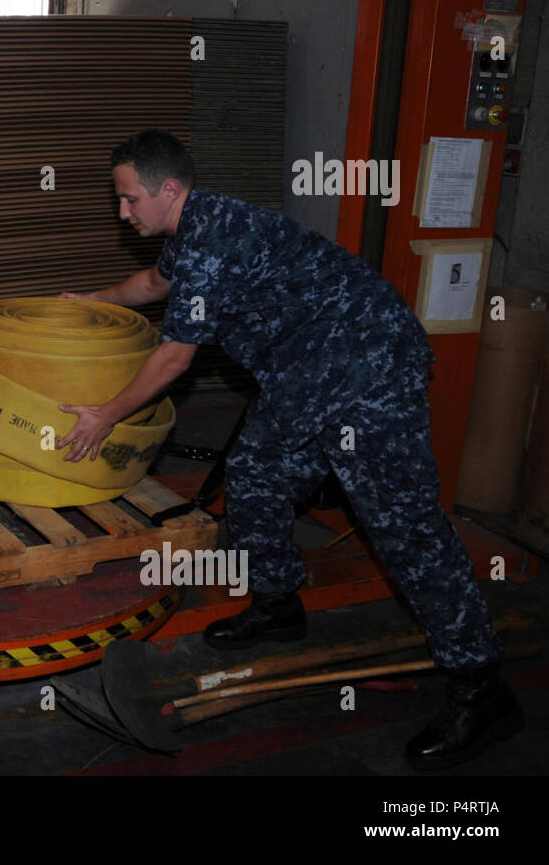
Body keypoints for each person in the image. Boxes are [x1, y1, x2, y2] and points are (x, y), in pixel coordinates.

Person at [59, 128, 519, 771]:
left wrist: (105, 416)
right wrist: (89, 303)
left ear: (168, 190)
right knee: (254, 476)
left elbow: (174, 357)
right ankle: (279, 604)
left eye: (130, 199)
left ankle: (482, 688)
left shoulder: (210, 243)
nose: (123, 212)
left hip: (367, 370)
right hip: (308, 377)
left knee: (404, 528)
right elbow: (149, 285)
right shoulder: (192, 226)